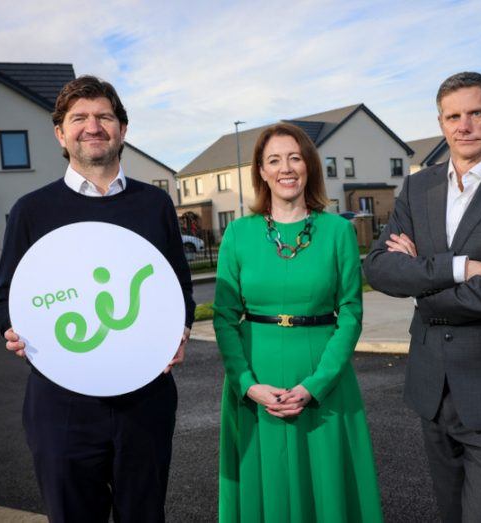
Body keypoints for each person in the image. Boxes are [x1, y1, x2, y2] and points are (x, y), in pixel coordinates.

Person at [0, 75, 195, 522]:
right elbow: (3, 300)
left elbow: (180, 289)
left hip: (145, 399)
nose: (92, 126)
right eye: (78, 118)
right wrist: (12, 327)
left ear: (122, 128)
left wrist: (179, 331)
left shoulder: (154, 206)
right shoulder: (31, 210)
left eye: (104, 116)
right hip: (61, 402)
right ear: (60, 133)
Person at [363, 72, 481, 523]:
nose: (465, 125)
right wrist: (458, 268)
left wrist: (422, 289)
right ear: (440, 123)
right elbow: (378, 267)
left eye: (476, 113)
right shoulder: (419, 187)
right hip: (433, 386)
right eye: (453, 116)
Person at [213, 122, 383, 522]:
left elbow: (351, 313)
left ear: (308, 165)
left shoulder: (339, 231)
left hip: (323, 380)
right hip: (256, 382)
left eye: (294, 157)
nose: (285, 168)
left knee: (324, 492)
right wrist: (247, 384)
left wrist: (316, 385)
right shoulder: (238, 234)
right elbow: (222, 317)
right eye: (274, 160)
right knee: (264, 489)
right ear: (261, 171)